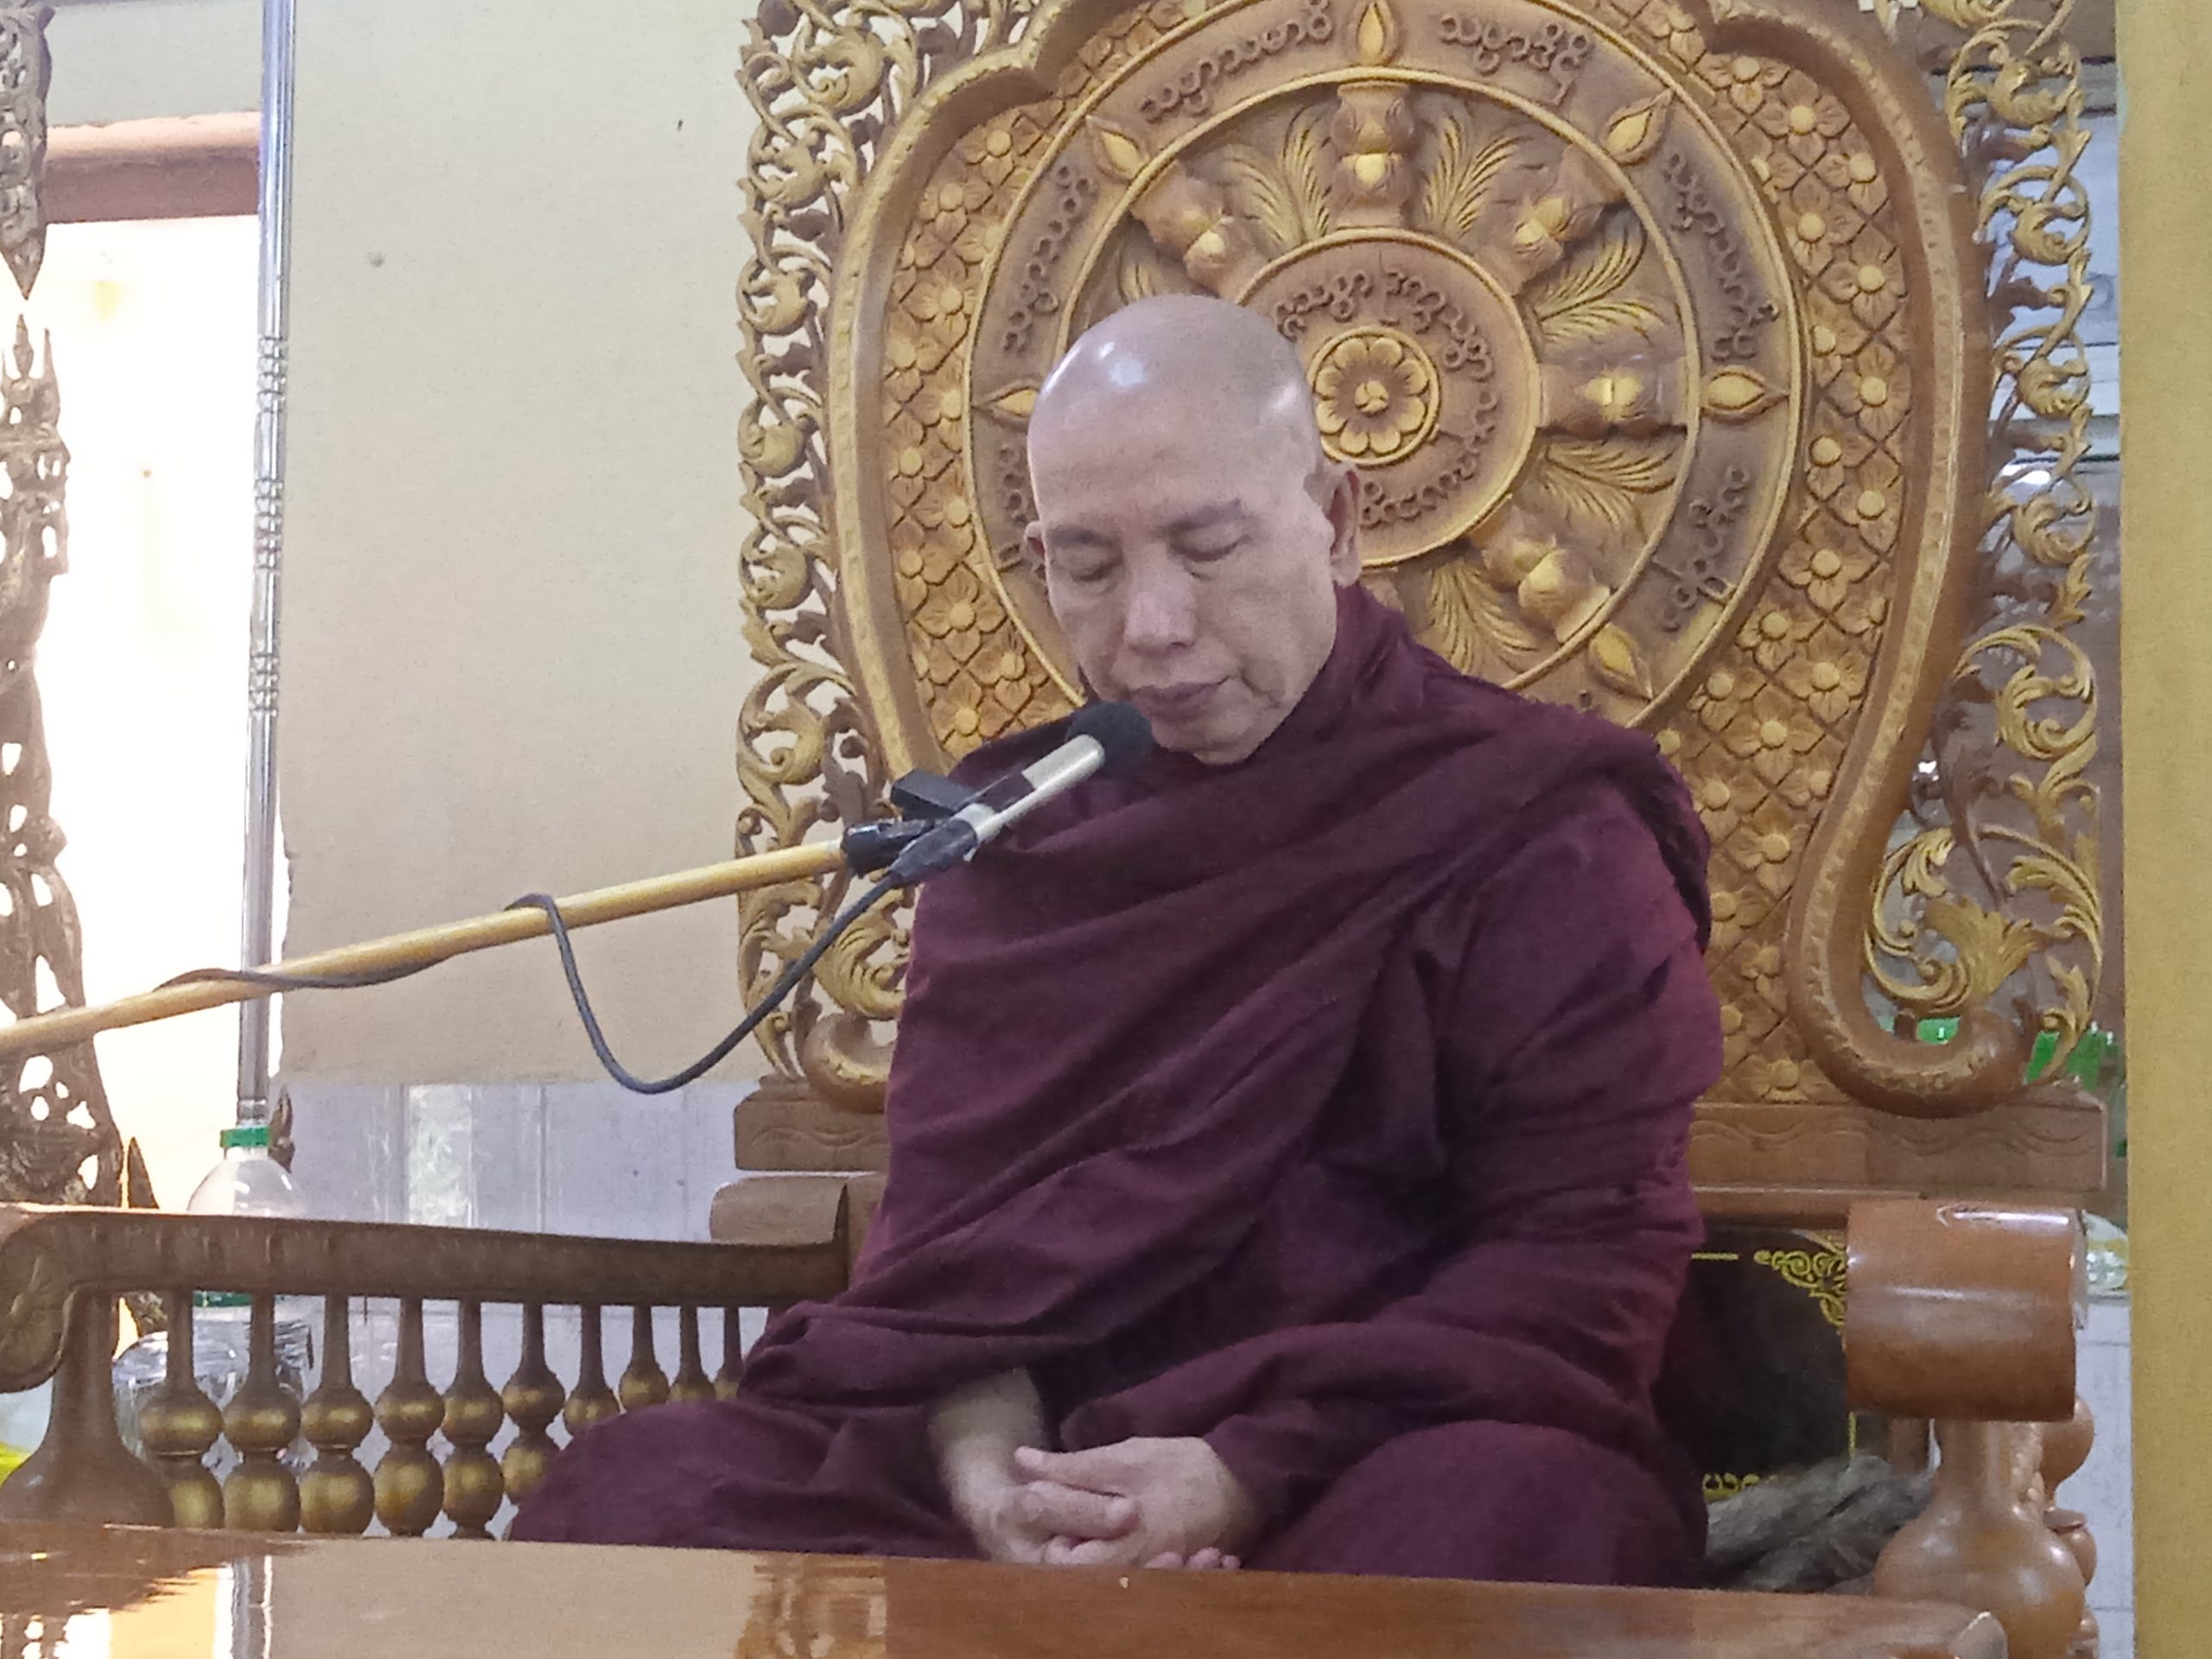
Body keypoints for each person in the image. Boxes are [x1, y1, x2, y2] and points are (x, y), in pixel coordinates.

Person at [512, 295, 1722, 1584]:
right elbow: (946, 1282)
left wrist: (1238, 1476)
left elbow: (1577, 1268)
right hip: (1033, 1466)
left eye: (1209, 548)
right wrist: (999, 1486)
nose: (1152, 626)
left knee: (1508, 1517)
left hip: (1368, 1458)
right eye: (1088, 567)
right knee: (633, 1490)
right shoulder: (1014, 840)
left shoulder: (1535, 826)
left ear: (1337, 522)